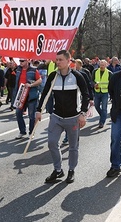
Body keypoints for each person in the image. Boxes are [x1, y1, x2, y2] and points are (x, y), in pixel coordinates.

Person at [36, 50, 89, 184]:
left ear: (68, 61)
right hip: (56, 116)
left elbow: (86, 95)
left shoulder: (77, 76)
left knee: (73, 147)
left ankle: (71, 170)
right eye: (56, 60)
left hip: (73, 117)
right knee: (52, 143)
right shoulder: (53, 76)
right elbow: (45, 94)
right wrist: (38, 110)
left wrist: (83, 113)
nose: (57, 62)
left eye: (60, 60)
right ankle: (58, 170)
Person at [13, 58, 42, 139]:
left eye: (22, 61)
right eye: (20, 61)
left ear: (27, 61)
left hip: (31, 95)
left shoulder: (33, 70)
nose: (21, 62)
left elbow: (40, 80)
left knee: (31, 116)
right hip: (20, 94)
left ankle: (31, 132)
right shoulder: (18, 69)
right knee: (18, 113)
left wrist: (31, 85)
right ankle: (22, 131)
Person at [92, 59, 113, 128]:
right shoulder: (95, 71)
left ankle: (102, 122)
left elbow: (112, 83)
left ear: (106, 65)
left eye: (103, 65)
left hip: (105, 92)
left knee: (104, 108)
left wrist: (111, 93)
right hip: (97, 91)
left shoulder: (109, 73)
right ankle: (103, 115)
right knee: (96, 106)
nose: (101, 66)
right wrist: (94, 84)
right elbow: (92, 80)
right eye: (100, 64)